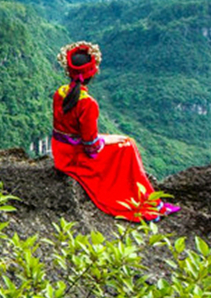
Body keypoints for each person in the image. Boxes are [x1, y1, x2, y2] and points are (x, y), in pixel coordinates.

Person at [51, 41, 179, 222]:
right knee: (127, 146)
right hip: (76, 156)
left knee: (122, 143)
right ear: (91, 74)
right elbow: (91, 146)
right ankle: (141, 200)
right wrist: (103, 144)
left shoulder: (60, 93)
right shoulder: (87, 103)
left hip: (60, 151)